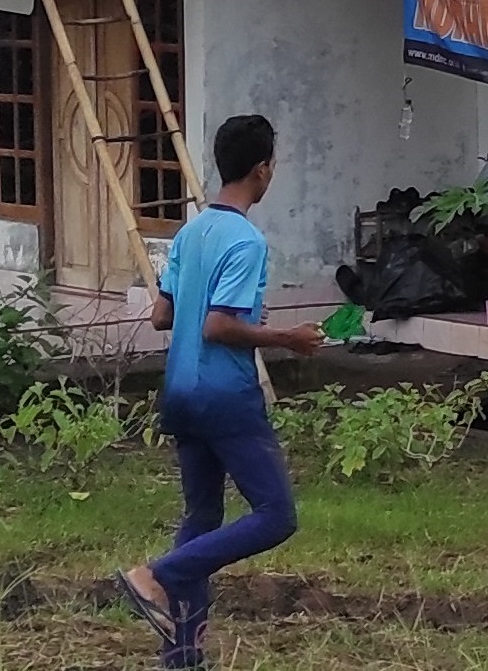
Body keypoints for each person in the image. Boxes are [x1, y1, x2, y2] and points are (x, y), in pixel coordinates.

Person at [118, 115, 324, 667]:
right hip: (223, 394)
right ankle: (157, 574)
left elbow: (164, 316)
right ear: (262, 170)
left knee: (202, 518)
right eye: (273, 164)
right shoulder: (246, 240)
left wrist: (231, 312)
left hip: (180, 390)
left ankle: (183, 658)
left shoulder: (190, 232)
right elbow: (218, 327)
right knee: (277, 514)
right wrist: (287, 336)